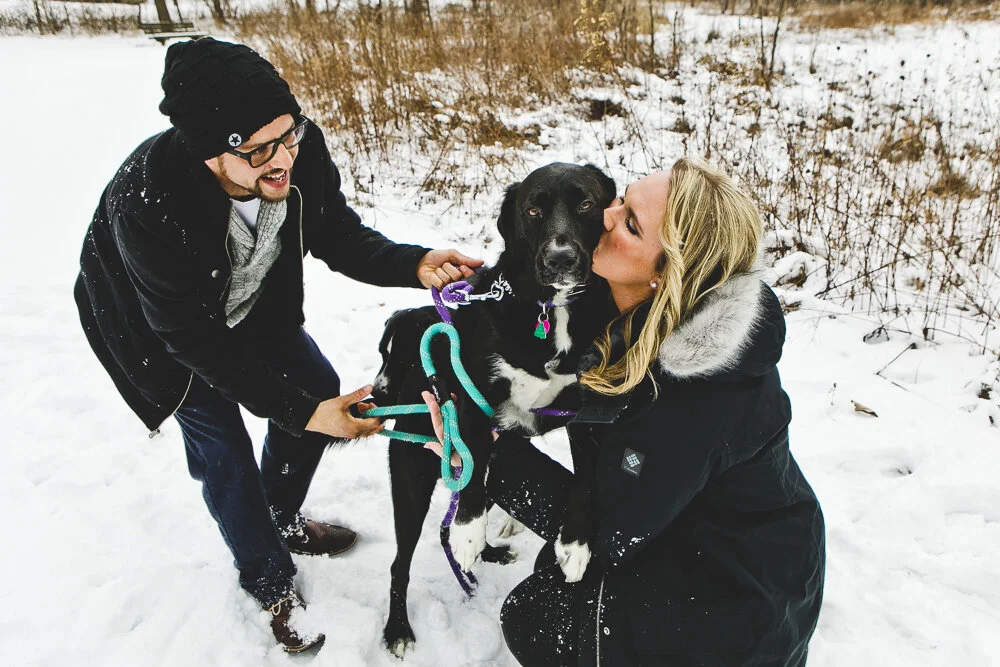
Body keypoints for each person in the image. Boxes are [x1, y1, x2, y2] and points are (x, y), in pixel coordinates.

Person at [73, 37, 481, 653]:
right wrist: (301, 413)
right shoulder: (148, 200)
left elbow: (334, 231)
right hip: (157, 332)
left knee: (313, 385)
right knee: (224, 449)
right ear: (209, 151)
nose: (281, 160)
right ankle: (268, 581)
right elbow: (186, 333)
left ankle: (278, 516)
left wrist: (415, 263)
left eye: (287, 135)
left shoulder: (296, 148)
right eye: (257, 150)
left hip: (251, 302)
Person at [423, 157, 825, 665]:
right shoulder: (642, 316)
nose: (606, 217)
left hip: (734, 609)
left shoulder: (688, 391)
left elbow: (611, 527)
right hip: (757, 554)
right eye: (620, 201)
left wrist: (487, 460)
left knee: (534, 616)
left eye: (630, 223)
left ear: (666, 273)